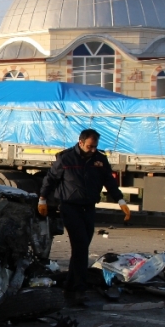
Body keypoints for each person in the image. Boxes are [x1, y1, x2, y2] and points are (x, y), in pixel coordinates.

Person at [38, 129, 131, 306]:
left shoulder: (99, 160)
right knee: (80, 245)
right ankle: (78, 290)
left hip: (89, 208)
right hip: (70, 207)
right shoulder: (66, 158)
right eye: (90, 146)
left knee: (82, 248)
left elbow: (109, 182)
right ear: (80, 143)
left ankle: (70, 287)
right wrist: (42, 199)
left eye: (95, 147)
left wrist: (120, 201)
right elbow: (50, 179)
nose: (93, 150)